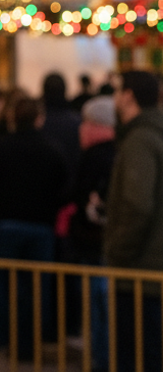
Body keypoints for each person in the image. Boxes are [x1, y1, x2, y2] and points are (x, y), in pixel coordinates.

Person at [0, 95, 68, 361]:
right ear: (40, 118)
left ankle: (6, 340)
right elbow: (63, 187)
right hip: (41, 228)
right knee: (38, 287)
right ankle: (32, 343)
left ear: (12, 118)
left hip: (6, 225)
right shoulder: (52, 149)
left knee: (3, 286)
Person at [105, 70, 163, 372]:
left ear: (128, 96)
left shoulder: (139, 140)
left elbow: (138, 204)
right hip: (153, 271)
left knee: (137, 355)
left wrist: (117, 251)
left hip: (140, 270)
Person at [70, 95, 117, 372]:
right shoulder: (120, 151)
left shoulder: (95, 156)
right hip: (99, 241)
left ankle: (102, 358)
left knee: (99, 304)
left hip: (94, 240)